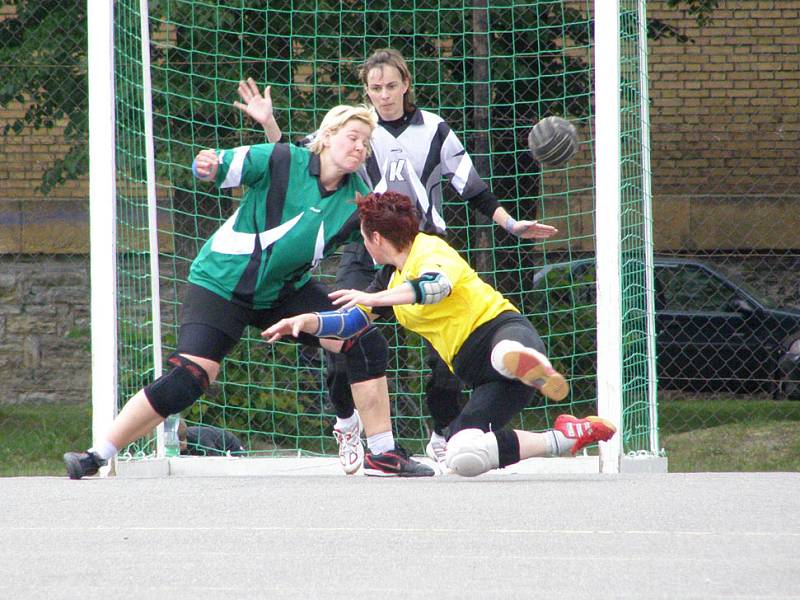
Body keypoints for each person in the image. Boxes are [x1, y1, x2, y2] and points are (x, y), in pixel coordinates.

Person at [63, 105, 434, 479]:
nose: (359, 148)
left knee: (363, 341)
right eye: (353, 138)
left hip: (284, 294)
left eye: (366, 143)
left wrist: (420, 262)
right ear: (327, 137)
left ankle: (384, 454)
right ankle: (97, 454)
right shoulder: (282, 159)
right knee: (191, 375)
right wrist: (205, 165)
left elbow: (389, 245)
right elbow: (220, 165)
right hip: (221, 284)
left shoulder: (358, 200)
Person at [235, 48, 558, 471]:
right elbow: (299, 160)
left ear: (406, 84)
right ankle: (347, 422)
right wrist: (269, 123)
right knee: (342, 338)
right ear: (366, 92)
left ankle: (443, 435)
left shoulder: (436, 131)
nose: (384, 95)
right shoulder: (356, 134)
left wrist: (511, 224)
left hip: (418, 247)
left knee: (444, 361)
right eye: (375, 88)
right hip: (366, 248)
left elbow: (472, 188)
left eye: (390, 86)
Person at [263, 191, 616, 477]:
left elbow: (436, 287)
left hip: (498, 330)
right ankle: (565, 436)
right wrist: (307, 321)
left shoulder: (430, 249)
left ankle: (519, 362)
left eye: (363, 239)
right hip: (480, 377)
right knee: (463, 456)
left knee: (503, 353)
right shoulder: (389, 279)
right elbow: (351, 323)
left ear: (374, 238)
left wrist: (374, 298)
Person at [178, 419, 245, 456]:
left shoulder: (202, 440)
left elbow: (216, 460)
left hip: (232, 448)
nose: (178, 448)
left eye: (180, 444)